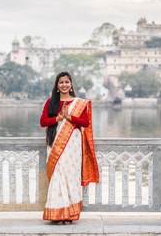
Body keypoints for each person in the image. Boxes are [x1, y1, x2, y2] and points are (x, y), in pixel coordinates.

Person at [40, 71, 99, 225]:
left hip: (73, 144)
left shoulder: (79, 103)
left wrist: (69, 117)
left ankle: (70, 215)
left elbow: (85, 123)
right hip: (55, 143)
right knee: (58, 176)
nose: (64, 85)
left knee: (71, 176)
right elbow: (43, 121)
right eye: (61, 82)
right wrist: (58, 117)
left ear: (71, 84)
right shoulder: (51, 103)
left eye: (67, 82)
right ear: (57, 86)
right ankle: (57, 214)